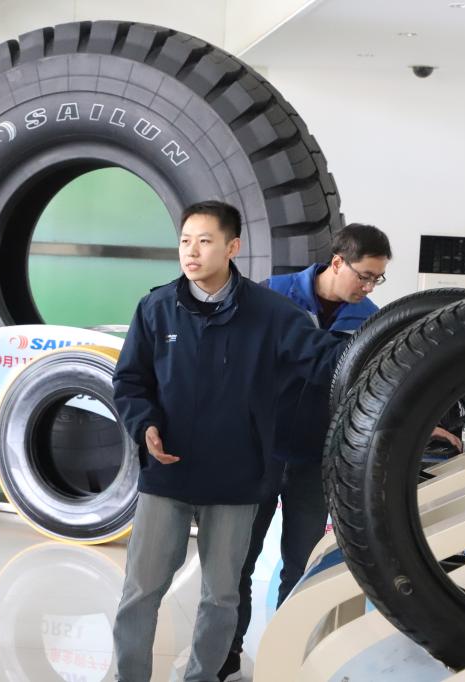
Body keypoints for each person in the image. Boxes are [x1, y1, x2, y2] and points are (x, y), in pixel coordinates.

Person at [111, 200, 347, 682]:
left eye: (205, 241)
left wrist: (395, 352)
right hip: (168, 475)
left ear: (232, 247)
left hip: (237, 480)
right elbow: (130, 382)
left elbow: (330, 361)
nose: (191, 252)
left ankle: (202, 678)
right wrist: (144, 424)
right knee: (140, 591)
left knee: (221, 596)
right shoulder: (156, 309)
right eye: (185, 241)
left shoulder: (271, 314)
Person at [222, 224, 392, 680]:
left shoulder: (371, 320)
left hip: (317, 460)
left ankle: (287, 659)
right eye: (364, 275)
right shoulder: (271, 295)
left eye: (377, 279)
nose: (369, 287)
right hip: (258, 453)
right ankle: (226, 653)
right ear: (337, 261)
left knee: (302, 566)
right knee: (238, 559)